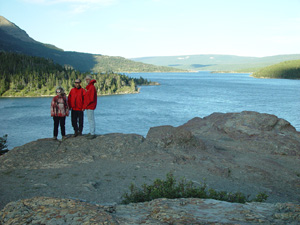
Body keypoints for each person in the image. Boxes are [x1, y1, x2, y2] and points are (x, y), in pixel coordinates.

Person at [83, 75, 97, 139]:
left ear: (90, 79)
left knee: (91, 119)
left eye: (88, 79)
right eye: (86, 79)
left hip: (90, 106)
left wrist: (86, 105)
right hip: (89, 106)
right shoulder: (89, 87)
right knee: (90, 119)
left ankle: (92, 133)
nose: (87, 80)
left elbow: (91, 98)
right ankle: (91, 131)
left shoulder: (91, 87)